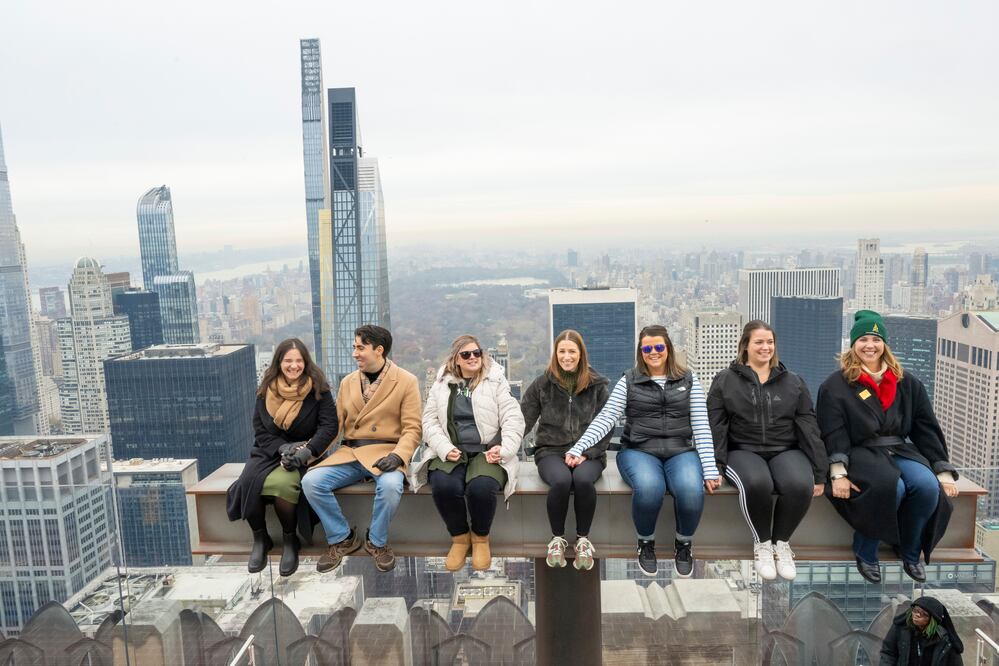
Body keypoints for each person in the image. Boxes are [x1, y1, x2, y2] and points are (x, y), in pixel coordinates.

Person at [818, 310, 959, 584]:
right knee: (891, 488)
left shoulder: (907, 382)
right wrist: (838, 472)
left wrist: (941, 469)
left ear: (885, 344)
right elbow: (832, 432)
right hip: (860, 451)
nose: (870, 345)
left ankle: (909, 549)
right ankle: (866, 550)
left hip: (899, 449)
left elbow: (925, 427)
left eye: (876, 339)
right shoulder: (836, 386)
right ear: (853, 344)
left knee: (927, 487)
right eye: (863, 340)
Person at [568, 324, 720, 578]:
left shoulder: (689, 379)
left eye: (659, 347)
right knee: (650, 488)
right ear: (640, 351)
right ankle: (645, 543)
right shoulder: (629, 380)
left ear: (668, 349)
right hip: (639, 450)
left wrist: (709, 468)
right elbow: (607, 417)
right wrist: (580, 447)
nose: (653, 352)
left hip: (680, 450)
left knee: (691, 491)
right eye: (647, 348)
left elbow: (701, 425)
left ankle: (684, 544)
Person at [707, 321, 827, 581]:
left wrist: (819, 472)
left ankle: (781, 544)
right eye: (759, 342)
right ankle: (762, 543)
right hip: (743, 449)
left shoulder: (793, 382)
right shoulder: (725, 380)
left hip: (785, 449)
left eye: (770, 342)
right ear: (746, 346)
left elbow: (808, 426)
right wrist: (713, 467)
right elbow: (714, 426)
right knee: (756, 482)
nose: (765, 347)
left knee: (798, 484)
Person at [301, 325, 422, 573]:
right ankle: (341, 537)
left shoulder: (407, 381)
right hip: (351, 452)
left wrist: (398, 456)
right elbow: (335, 427)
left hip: (387, 453)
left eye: (360, 347)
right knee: (311, 481)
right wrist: (310, 451)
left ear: (379, 350)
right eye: (355, 347)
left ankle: (377, 542)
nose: (355, 353)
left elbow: (413, 429)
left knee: (390, 487)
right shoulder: (347, 382)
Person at [410, 335, 524, 572]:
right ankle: (460, 538)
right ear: (456, 359)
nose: (473, 357)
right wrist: (444, 447)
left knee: (481, 488)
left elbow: (513, 418)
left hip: (486, 451)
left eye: (477, 353)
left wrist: (504, 449)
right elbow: (429, 421)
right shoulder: (442, 385)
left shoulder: (496, 381)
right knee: (443, 486)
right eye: (466, 354)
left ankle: (481, 537)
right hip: (452, 450)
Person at [226, 338, 337, 576]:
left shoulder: (319, 390)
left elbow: (329, 428)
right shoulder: (266, 390)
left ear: (306, 363)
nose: (294, 366)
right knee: (247, 483)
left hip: (306, 453)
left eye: (299, 361)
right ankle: (260, 538)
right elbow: (261, 430)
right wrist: (281, 448)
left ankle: (290, 540)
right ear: (279, 362)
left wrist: (305, 452)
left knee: (282, 484)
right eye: (288, 361)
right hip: (269, 451)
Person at [520, 329, 611, 570]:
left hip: (589, 451)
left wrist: (586, 453)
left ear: (581, 354)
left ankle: (583, 539)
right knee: (560, 481)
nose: (567, 356)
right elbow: (523, 420)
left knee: (582, 481)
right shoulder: (543, 384)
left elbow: (608, 424)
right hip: (550, 450)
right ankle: (557, 539)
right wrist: (499, 445)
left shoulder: (598, 385)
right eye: (562, 351)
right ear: (555, 354)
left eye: (572, 351)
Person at [880, 596, 964, 665]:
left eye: (924, 614)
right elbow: (888, 653)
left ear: (932, 621)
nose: (917, 615)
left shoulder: (946, 641)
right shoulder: (901, 628)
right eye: (915, 610)